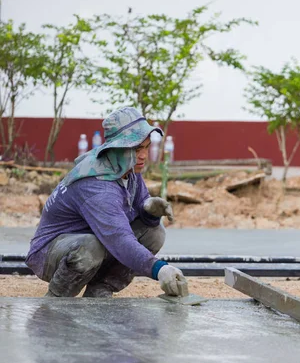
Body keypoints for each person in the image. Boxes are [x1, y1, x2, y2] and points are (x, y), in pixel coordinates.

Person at [26, 107, 186, 298]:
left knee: (155, 233)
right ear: (117, 147)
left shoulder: (125, 166)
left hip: (94, 241)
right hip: (51, 252)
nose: (143, 155)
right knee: (89, 247)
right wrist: (159, 269)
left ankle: (100, 289)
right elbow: (119, 239)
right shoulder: (96, 185)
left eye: (146, 147)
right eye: (136, 148)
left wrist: (149, 213)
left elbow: (135, 216)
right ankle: (57, 299)